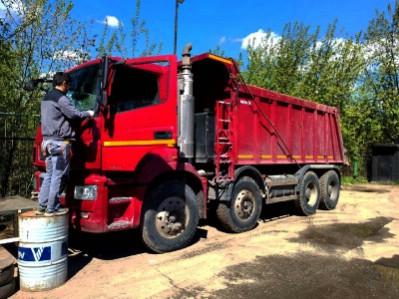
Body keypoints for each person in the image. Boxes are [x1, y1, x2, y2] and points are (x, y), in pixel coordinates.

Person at [36, 72, 94, 216]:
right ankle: (52, 208)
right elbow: (74, 114)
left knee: (49, 175)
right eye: (68, 85)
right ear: (63, 84)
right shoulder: (61, 99)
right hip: (58, 143)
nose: (69, 88)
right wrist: (89, 113)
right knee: (58, 175)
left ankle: (41, 205)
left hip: (47, 142)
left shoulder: (46, 98)